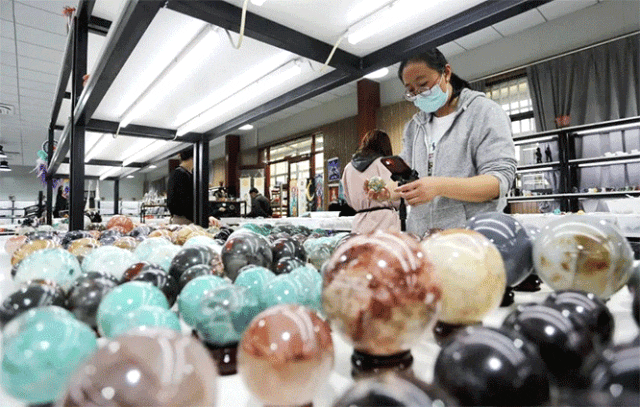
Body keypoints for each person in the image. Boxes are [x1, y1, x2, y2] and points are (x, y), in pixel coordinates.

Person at [395, 49, 516, 237]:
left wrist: (439, 186)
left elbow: (497, 182)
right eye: (411, 90)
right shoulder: (415, 126)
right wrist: (387, 192)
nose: (418, 94)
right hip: (424, 238)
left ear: (446, 73)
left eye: (423, 85)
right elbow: (407, 177)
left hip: (471, 238)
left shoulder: (484, 112)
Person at [342, 129, 400, 234]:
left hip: (359, 222)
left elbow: (347, 198)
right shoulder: (383, 164)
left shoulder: (348, 168)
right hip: (385, 221)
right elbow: (395, 195)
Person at [166, 148, 194, 224]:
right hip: (184, 219)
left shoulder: (182, 174)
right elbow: (183, 202)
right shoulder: (180, 174)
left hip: (185, 218)